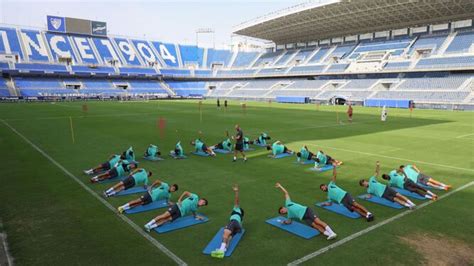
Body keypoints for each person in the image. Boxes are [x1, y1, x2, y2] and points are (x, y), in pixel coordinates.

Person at [144, 191, 208, 232]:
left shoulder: (195, 208)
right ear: (201, 200)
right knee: (164, 215)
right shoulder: (195, 197)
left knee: (166, 220)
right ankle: (148, 224)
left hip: (180, 214)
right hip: (177, 206)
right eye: (203, 202)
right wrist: (180, 199)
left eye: (204, 204)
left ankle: (150, 227)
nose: (203, 203)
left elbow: (194, 214)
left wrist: (199, 217)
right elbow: (186, 192)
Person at [211, 185, 244, 259]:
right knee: (229, 237)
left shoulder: (236, 209)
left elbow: (237, 200)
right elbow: (240, 229)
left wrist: (236, 192)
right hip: (238, 226)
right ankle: (225, 249)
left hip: (234, 222)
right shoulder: (241, 218)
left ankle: (221, 250)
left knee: (225, 232)